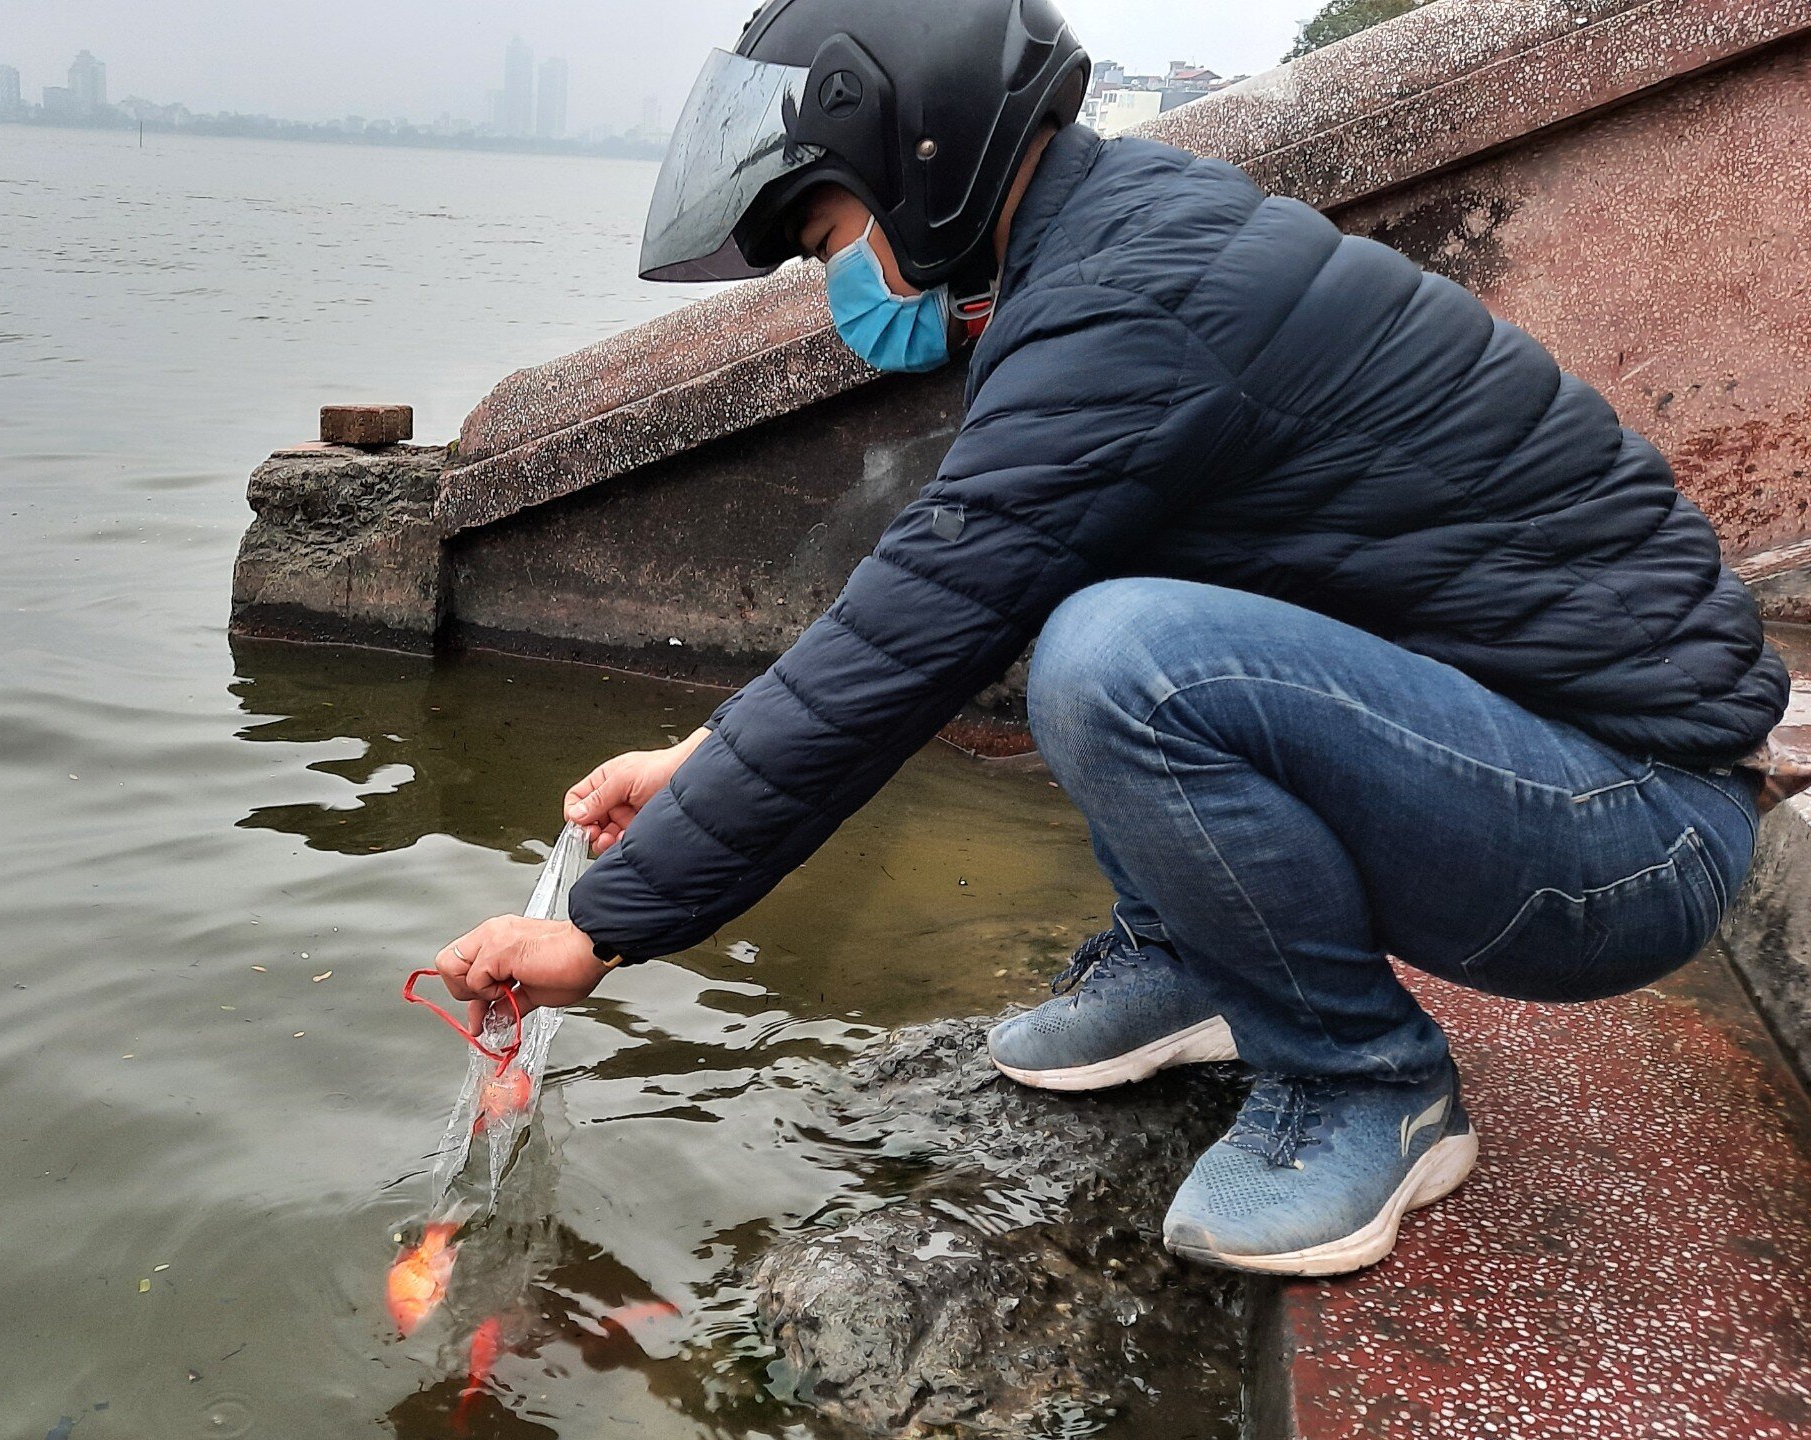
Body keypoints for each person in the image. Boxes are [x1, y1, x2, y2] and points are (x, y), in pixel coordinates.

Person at [431, 0, 1795, 1276]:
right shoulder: (1118, 249)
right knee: (1080, 597)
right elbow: (940, 597)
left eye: (825, 237)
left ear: (922, 164)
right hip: (1558, 773)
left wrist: (604, 929)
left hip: (1630, 836)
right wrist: (705, 751)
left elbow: (912, 631)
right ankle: (1199, 957)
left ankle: (1364, 1084)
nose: (831, 282)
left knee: (1119, 657)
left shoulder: (1130, 305)